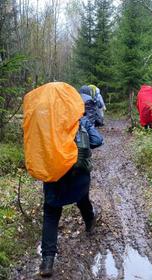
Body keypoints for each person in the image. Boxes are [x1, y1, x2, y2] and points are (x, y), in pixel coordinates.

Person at [23, 82, 103, 278]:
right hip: (78, 175)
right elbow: (98, 141)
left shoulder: (42, 124)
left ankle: (47, 262)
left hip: (53, 175)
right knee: (82, 197)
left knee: (51, 213)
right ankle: (90, 222)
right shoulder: (77, 119)